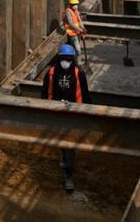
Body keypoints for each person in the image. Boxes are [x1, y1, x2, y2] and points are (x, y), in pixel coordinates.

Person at [41, 44, 91, 191]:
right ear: (58, 58)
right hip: (57, 114)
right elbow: (44, 94)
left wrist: (89, 110)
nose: (65, 62)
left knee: (70, 144)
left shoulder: (78, 73)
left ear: (72, 60)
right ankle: (63, 157)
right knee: (62, 141)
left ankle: (69, 176)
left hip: (73, 114)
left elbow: (86, 94)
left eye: (68, 59)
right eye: (63, 58)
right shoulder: (50, 73)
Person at [62, 0, 87, 65]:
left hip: (77, 32)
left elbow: (79, 21)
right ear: (70, 5)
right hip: (72, 33)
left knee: (77, 49)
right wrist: (80, 30)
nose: (75, 6)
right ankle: (78, 64)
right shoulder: (68, 12)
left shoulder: (76, 11)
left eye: (76, 4)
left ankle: (77, 63)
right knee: (77, 50)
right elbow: (71, 24)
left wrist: (83, 28)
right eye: (73, 4)